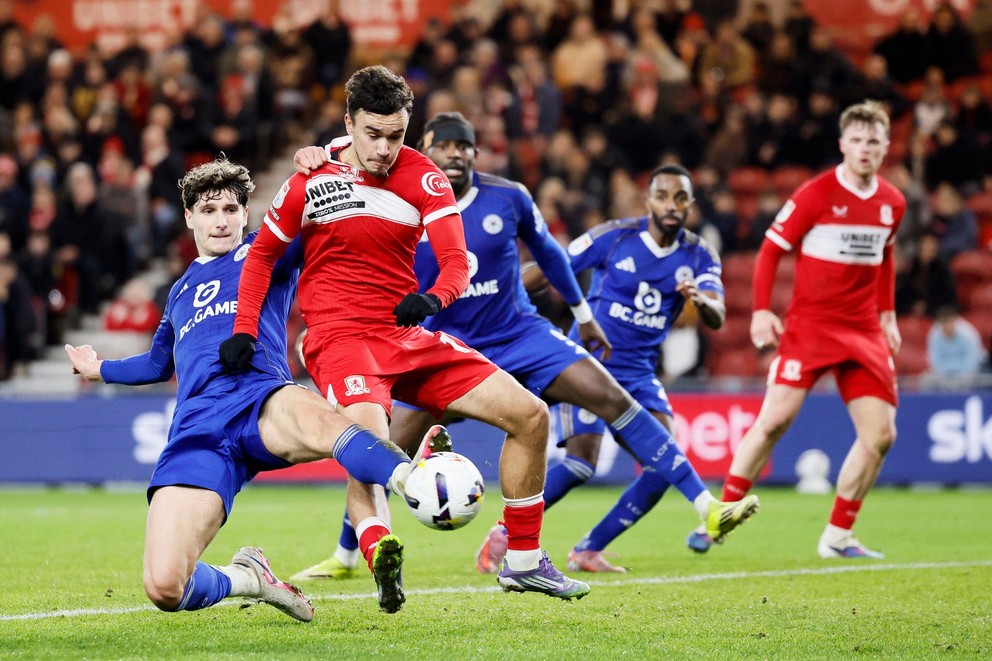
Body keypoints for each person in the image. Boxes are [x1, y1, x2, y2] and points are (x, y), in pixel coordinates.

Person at [289, 114, 758, 576]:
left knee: (611, 397)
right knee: (382, 449)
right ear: (423, 151)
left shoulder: (509, 197)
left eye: (463, 145)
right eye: (444, 145)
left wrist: (583, 315)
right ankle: (348, 554)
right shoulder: (400, 198)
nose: (454, 153)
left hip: (520, 333)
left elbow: (552, 256)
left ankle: (706, 506)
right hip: (445, 346)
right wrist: (325, 153)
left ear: (477, 151)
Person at [220, 66, 590, 602]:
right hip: (340, 339)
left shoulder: (424, 177)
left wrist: (434, 297)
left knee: (530, 416)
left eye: (396, 135)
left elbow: (456, 262)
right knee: (369, 451)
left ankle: (525, 561)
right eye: (373, 135)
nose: (385, 148)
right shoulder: (309, 178)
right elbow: (261, 258)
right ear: (349, 124)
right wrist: (245, 329)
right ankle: (380, 553)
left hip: (406, 335)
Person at [65, 158, 424, 622]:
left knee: (331, 422)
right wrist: (99, 370)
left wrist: (326, 163)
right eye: (210, 209)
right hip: (197, 429)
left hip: (262, 398)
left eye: (232, 209)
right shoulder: (177, 293)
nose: (222, 220)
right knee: (165, 584)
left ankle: (417, 482)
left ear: (245, 215)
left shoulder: (266, 252)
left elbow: (330, 220)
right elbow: (158, 363)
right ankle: (251, 578)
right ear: (189, 217)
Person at [688, 100, 907, 559]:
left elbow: (885, 255)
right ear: (843, 144)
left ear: (885, 147)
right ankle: (718, 518)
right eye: (857, 140)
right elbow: (770, 250)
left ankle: (838, 537)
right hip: (811, 326)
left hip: (864, 328)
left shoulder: (892, 202)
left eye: (874, 141)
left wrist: (887, 313)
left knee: (882, 437)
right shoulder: (815, 194)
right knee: (773, 422)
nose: (865, 148)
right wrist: (764, 311)